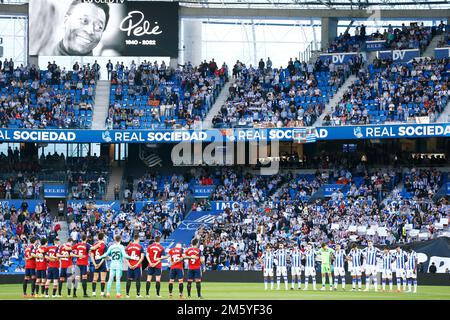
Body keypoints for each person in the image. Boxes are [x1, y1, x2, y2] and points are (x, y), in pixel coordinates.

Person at [90, 232, 107, 297]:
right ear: (103, 238)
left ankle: (94, 293)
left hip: (96, 263)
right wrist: (100, 264)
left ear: (98, 237)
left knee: (94, 279)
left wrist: (95, 264)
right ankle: (102, 294)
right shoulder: (104, 245)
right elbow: (104, 256)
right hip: (101, 263)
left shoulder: (94, 245)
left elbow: (92, 255)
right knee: (103, 280)